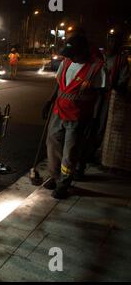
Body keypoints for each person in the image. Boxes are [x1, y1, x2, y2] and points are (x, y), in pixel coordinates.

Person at [42, 34, 106, 199]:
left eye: (74, 54)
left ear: (83, 51)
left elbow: (101, 96)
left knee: (69, 152)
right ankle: (55, 177)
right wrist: (49, 102)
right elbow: (59, 86)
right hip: (58, 112)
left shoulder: (96, 68)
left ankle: (64, 184)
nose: (70, 58)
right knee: (53, 145)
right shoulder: (66, 62)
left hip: (78, 117)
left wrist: (96, 119)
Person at [75, 31, 130, 178]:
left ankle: (87, 157)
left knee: (98, 129)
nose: (112, 44)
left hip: (106, 100)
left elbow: (122, 82)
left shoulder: (121, 60)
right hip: (90, 98)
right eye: (110, 40)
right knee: (84, 129)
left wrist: (110, 85)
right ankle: (81, 161)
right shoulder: (98, 57)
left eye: (115, 41)